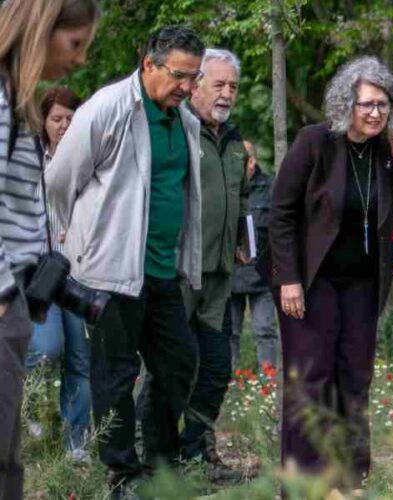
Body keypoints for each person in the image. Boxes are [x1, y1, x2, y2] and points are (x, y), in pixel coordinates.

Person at [46, 25, 204, 498]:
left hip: (160, 270)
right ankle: (121, 474)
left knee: (178, 363)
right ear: (148, 64)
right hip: (110, 272)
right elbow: (58, 180)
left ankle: (158, 461)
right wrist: (67, 242)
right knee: (114, 376)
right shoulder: (107, 108)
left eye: (194, 77)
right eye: (180, 75)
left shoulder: (185, 119)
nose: (188, 87)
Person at [266, 56, 393, 489]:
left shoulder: (385, 150)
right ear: (345, 105)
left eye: (383, 104)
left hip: (362, 284)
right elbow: (279, 213)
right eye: (366, 104)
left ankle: (348, 481)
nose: (376, 113)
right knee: (311, 381)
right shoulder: (314, 142)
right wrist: (288, 278)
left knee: (354, 379)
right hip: (311, 282)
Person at [0, 1, 99, 498]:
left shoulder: (16, 100)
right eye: (75, 43)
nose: (80, 59)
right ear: (42, 30)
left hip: (18, 297)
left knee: (8, 462)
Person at [173, 47, 248, 483]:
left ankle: (197, 453)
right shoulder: (177, 129)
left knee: (217, 366)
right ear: (195, 85)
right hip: (179, 273)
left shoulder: (234, 138)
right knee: (172, 367)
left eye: (233, 86)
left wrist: (241, 237)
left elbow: (237, 198)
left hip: (219, 276)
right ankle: (153, 459)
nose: (227, 93)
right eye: (218, 84)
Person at [25, 87, 90, 462]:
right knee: (47, 349)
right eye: (57, 119)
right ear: (44, 122)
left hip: (79, 271)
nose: (64, 126)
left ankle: (75, 442)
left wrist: (79, 226)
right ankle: (33, 406)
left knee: (79, 359)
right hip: (41, 273)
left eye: (70, 118)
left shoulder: (87, 159)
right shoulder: (30, 161)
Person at [229, 140, 278, 371]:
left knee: (264, 330)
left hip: (262, 275)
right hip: (230, 275)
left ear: (252, 162)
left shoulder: (271, 188)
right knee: (229, 332)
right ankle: (229, 382)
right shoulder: (224, 187)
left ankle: (267, 385)